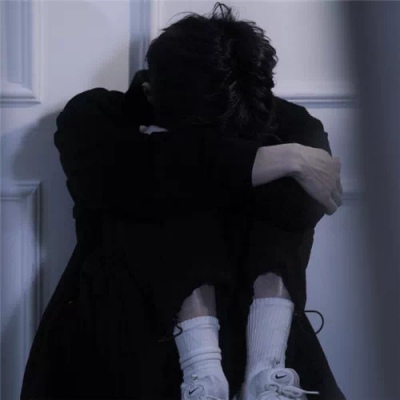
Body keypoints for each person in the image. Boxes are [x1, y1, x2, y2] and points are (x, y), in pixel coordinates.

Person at [20, 3, 345, 400]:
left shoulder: (280, 118)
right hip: (125, 327)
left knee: (179, 184)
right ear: (150, 93)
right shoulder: (98, 115)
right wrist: (281, 158)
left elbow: (300, 207)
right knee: (153, 191)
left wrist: (189, 159)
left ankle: (265, 372)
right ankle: (205, 376)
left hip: (252, 333)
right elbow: (117, 180)